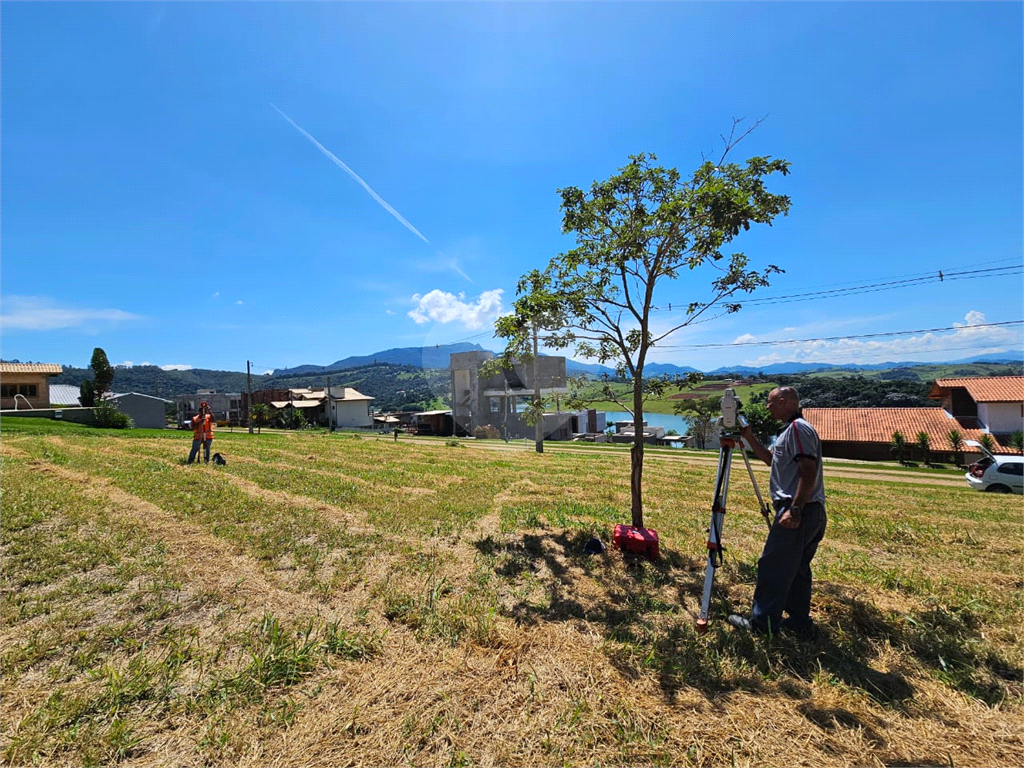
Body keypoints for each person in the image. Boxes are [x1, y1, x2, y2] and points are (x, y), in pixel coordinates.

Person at [728, 386, 826, 639]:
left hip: (798, 510)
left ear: (783, 402)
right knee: (797, 569)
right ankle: (799, 622)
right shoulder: (791, 431)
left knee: (773, 567)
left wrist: (795, 510)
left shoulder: (797, 429)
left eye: (771, 403)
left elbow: (808, 471)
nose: (768, 407)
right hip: (808, 510)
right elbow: (773, 461)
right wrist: (749, 438)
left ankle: (762, 624)